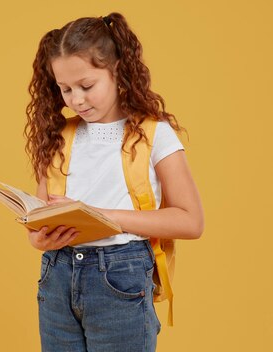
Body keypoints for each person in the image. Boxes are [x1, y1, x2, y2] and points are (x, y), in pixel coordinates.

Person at [23, 12, 204, 352]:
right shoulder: (59, 137)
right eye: (65, 89)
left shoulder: (154, 135)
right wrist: (39, 238)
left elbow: (191, 221)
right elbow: (41, 215)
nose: (76, 99)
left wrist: (102, 217)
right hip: (57, 276)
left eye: (87, 86)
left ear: (117, 70)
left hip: (119, 277)